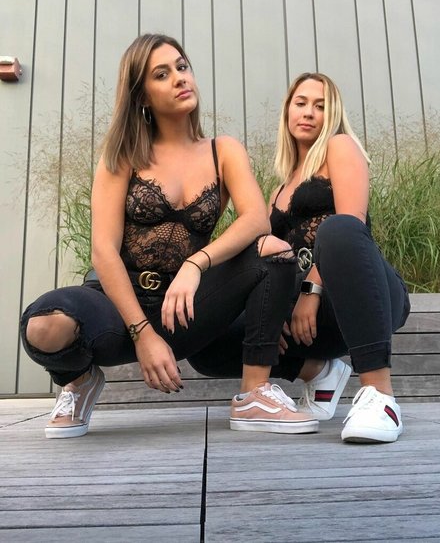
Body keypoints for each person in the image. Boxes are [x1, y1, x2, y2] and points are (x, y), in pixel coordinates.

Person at [20, 35, 319, 439]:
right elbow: (103, 251)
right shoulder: (122, 155)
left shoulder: (223, 150)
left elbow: (255, 220)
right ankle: (79, 382)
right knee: (43, 326)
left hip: (184, 307)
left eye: (182, 66)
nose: (180, 78)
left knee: (274, 252)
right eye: (162, 74)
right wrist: (142, 334)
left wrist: (196, 264)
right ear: (142, 95)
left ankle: (254, 395)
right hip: (118, 304)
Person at [189, 72, 411, 443]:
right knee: (208, 342)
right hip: (309, 323)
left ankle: (381, 398)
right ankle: (318, 372)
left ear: (332, 114)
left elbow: (354, 222)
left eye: (320, 106)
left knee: (337, 229)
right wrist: (267, 313)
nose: (308, 112)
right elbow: (265, 263)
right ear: (287, 111)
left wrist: (312, 290)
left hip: (366, 297)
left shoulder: (340, 147)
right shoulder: (278, 188)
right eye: (301, 103)